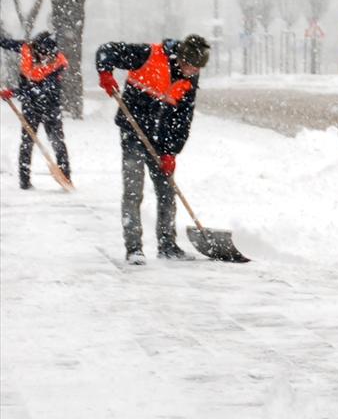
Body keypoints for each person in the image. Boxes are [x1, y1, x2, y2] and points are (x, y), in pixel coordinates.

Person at [95, 34, 210, 264]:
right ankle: (134, 248)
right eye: (191, 67)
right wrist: (105, 73)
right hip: (133, 132)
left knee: (167, 192)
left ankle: (167, 245)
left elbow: (183, 118)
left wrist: (171, 152)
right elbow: (106, 49)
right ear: (181, 59)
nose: (193, 72)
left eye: (198, 69)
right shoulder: (148, 55)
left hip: (161, 141)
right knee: (133, 191)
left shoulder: (190, 78)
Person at [0, 32, 71, 189]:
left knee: (57, 142)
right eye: (42, 53)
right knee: (27, 142)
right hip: (30, 107)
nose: (45, 58)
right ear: (35, 49)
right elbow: (5, 43)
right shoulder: (26, 48)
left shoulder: (57, 66)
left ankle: (66, 176)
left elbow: (38, 90)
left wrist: (13, 92)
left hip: (50, 106)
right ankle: (24, 181)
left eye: (48, 54)